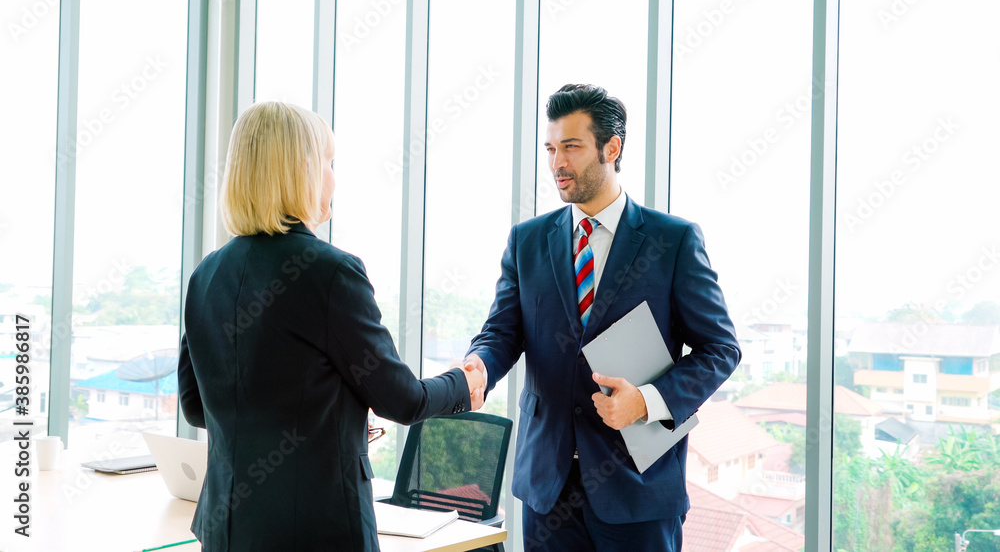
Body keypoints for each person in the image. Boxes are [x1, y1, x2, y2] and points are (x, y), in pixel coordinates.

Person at [177, 101, 485, 552]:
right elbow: (402, 400)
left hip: (226, 530)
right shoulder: (329, 272)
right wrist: (463, 384)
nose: (333, 178)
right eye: (328, 162)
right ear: (302, 170)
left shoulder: (205, 276)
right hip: (316, 532)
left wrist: (328, 418)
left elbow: (195, 406)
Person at [462, 84, 740, 551]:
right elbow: (502, 332)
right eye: (551, 148)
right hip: (547, 487)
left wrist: (648, 400)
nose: (557, 163)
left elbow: (721, 350)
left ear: (612, 148)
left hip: (637, 488)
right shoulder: (527, 241)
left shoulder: (672, 241)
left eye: (571, 146)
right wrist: (480, 365)